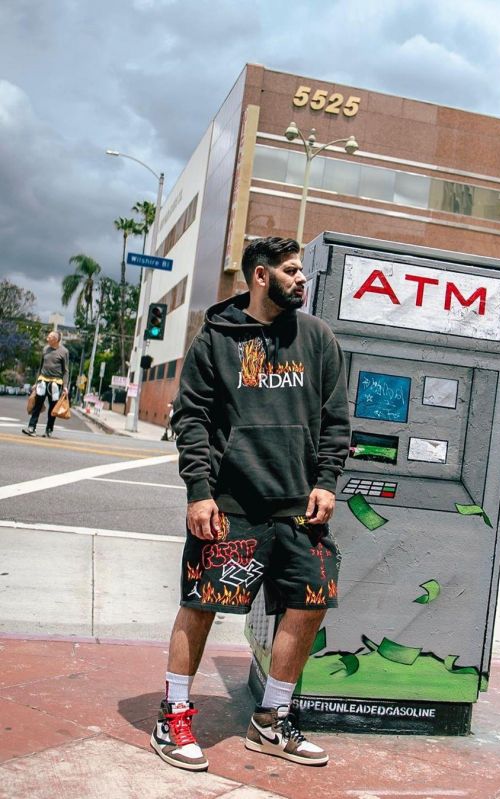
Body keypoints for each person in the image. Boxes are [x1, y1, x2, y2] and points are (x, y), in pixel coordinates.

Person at [150, 237, 350, 772]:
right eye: (291, 270)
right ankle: (172, 715)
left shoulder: (317, 338)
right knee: (202, 604)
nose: (302, 279)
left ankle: (271, 720)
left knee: (310, 604)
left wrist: (327, 481)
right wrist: (199, 492)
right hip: (231, 503)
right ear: (260, 276)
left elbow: (336, 420)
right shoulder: (216, 339)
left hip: (299, 506)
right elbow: (190, 419)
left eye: (302, 270)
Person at [22, 330, 69, 438]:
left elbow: (66, 370)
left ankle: (49, 430)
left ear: (56, 340)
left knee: (53, 408)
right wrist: (36, 382)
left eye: (50, 337)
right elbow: (40, 367)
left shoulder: (64, 352)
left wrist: (65, 386)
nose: (47, 339)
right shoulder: (45, 349)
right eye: (48, 337)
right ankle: (31, 428)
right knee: (37, 405)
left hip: (55, 384)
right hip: (43, 381)